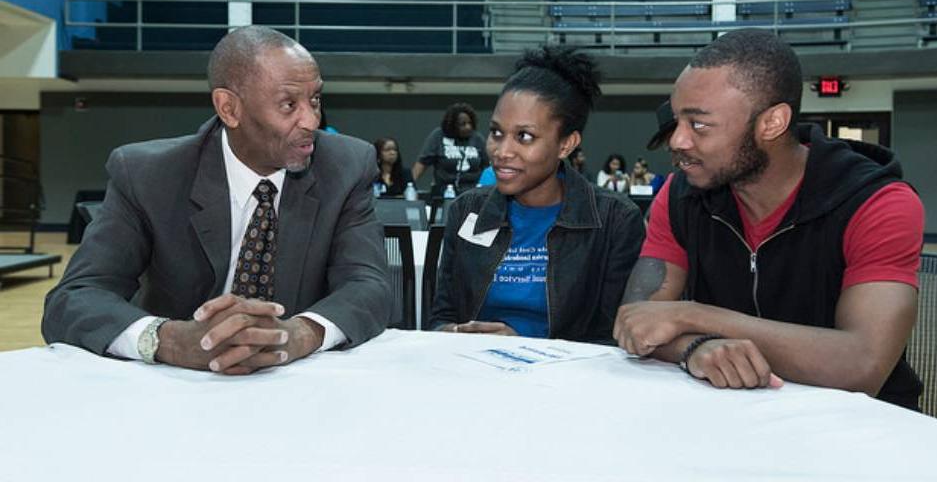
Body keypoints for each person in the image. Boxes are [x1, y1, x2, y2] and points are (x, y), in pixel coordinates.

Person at [42, 26, 392, 375]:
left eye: (314, 99)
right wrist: (170, 340)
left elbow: (368, 285)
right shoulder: (147, 175)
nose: (311, 120)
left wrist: (299, 334)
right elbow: (75, 298)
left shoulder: (346, 166)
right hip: (174, 387)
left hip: (297, 383)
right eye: (289, 104)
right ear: (229, 108)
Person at [613, 29, 924, 409]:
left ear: (772, 123)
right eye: (677, 120)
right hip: (730, 412)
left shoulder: (877, 203)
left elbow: (862, 365)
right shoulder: (679, 195)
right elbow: (636, 321)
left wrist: (693, 316)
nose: (677, 141)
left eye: (698, 124)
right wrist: (694, 347)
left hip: (856, 426)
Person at [428, 46, 645, 341]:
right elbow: (441, 317)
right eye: (496, 133)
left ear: (567, 144)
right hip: (475, 374)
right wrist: (455, 333)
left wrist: (526, 347)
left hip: (566, 381)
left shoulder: (615, 221)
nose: (502, 152)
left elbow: (613, 340)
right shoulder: (466, 211)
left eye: (524, 137)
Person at [412, 103, 487, 196]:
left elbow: (488, 166)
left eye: (470, 123)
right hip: (444, 192)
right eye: (462, 124)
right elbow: (422, 163)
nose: (468, 127)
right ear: (452, 125)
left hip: (472, 193)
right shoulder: (438, 136)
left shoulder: (477, 138)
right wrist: (410, 186)